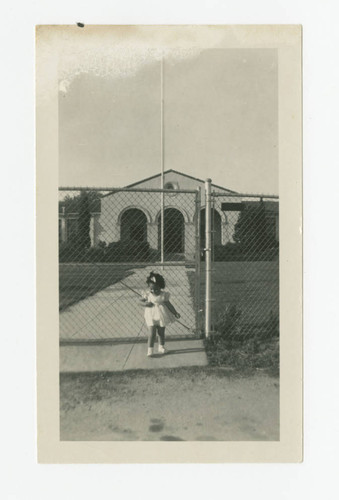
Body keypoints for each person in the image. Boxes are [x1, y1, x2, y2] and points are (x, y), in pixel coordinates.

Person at [140, 271, 180, 357]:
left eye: (156, 289)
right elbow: (140, 302)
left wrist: (175, 313)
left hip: (161, 315)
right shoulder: (148, 294)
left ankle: (161, 347)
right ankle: (150, 350)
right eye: (151, 289)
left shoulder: (163, 295)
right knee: (152, 333)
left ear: (160, 287)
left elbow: (169, 305)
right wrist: (145, 303)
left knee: (161, 332)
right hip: (151, 315)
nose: (153, 291)